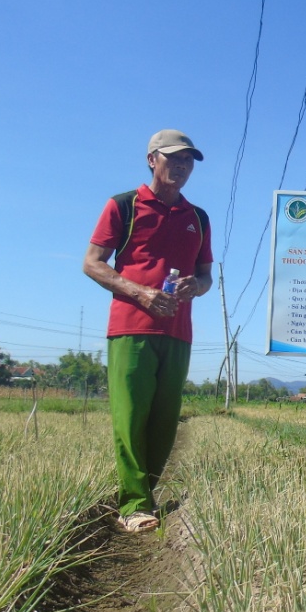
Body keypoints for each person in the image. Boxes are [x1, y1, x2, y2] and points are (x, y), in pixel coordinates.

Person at [84, 130, 213, 532]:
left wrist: (198, 286)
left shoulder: (198, 217)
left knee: (164, 419)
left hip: (178, 331)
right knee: (131, 416)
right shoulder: (124, 205)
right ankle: (134, 504)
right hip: (130, 328)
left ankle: (146, 494)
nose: (182, 166)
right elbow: (92, 262)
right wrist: (138, 292)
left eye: (188, 161)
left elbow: (207, 275)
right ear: (151, 160)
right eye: (174, 158)